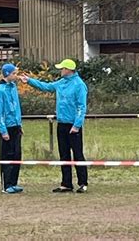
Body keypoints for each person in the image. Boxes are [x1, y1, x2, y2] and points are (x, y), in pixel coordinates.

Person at [20, 59, 88, 193]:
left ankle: (83, 183)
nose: (60, 70)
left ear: (68, 70)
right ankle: (66, 183)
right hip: (61, 123)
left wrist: (77, 125)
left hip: (73, 125)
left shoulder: (79, 85)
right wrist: (29, 80)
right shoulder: (61, 83)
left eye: (62, 68)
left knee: (78, 154)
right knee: (64, 155)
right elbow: (46, 87)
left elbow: (82, 106)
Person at [0, 63, 24, 194]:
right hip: (7, 127)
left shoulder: (13, 88)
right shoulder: (0, 90)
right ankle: (6, 185)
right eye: (14, 74)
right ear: (7, 74)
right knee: (7, 156)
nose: (15, 76)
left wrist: (19, 124)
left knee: (17, 155)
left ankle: (13, 182)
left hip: (16, 126)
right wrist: (3, 130)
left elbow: (16, 107)